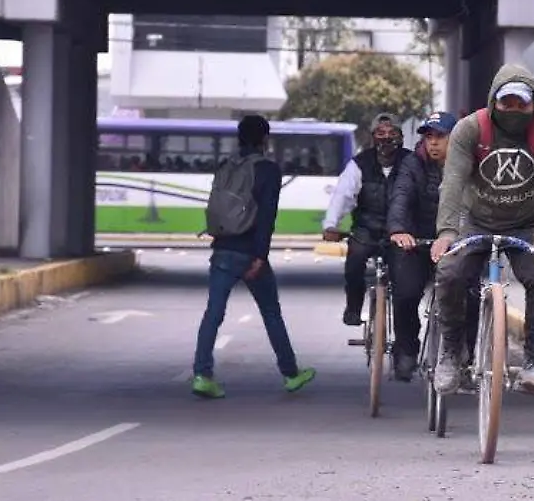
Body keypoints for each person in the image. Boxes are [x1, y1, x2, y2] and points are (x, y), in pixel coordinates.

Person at [429, 64, 534, 396]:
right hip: (475, 219)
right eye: (507, 102)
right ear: (493, 101)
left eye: (522, 103)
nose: (514, 110)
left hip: (526, 224)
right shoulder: (469, 130)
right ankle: (452, 351)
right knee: (450, 274)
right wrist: (447, 232)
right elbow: (452, 183)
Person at [190, 115, 316, 399]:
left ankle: (201, 374)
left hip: (223, 247)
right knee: (271, 312)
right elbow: (266, 217)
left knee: (213, 312)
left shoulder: (225, 166)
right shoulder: (268, 170)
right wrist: (259, 256)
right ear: (265, 140)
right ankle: (291, 374)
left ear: (238, 138)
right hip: (249, 251)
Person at [385, 110, 481, 381]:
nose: (433, 143)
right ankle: (406, 349)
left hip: (459, 244)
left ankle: (467, 356)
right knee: (405, 292)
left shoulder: (472, 165)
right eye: (429, 137)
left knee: (472, 296)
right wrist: (399, 229)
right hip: (418, 242)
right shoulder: (412, 164)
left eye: (440, 136)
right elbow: (400, 196)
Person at [323, 113, 412, 326]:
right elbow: (342, 195)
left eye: (392, 133)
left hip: (399, 232)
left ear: (400, 137)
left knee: (407, 279)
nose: (386, 138)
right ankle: (353, 309)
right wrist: (330, 225)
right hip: (366, 231)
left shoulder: (411, 162)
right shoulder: (358, 165)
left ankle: (404, 330)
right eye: (381, 134)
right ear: (372, 137)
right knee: (354, 263)